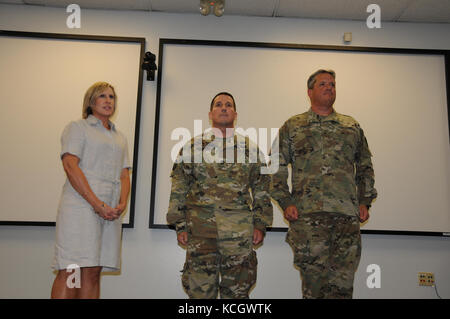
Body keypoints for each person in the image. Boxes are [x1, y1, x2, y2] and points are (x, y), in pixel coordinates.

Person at [270, 70, 377, 299]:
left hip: (346, 218)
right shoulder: (293, 125)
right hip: (309, 219)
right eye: (323, 84)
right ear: (310, 91)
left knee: (342, 287)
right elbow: (274, 167)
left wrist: (364, 201)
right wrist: (286, 201)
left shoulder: (351, 126)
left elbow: (365, 165)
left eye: (332, 84)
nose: (329, 87)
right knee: (314, 287)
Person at [167, 92, 273, 299]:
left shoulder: (250, 149)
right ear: (210, 113)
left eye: (228, 105)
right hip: (200, 232)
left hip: (238, 234)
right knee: (200, 294)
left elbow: (262, 189)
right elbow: (179, 188)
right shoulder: (192, 147)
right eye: (218, 104)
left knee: (237, 295)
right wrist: (180, 224)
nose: (223, 107)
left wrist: (260, 224)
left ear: (235, 113)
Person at [51, 81, 131, 299]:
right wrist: (97, 204)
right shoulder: (78, 127)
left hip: (110, 212)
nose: (108, 101)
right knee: (72, 270)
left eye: (112, 97)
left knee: (94, 271)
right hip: (81, 207)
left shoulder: (119, 137)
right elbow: (70, 165)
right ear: (91, 101)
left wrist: (122, 204)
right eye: (102, 96)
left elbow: (124, 174)